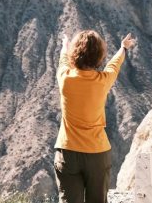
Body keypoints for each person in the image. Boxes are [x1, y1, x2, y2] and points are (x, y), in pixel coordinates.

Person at [54, 30, 136, 203]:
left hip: (68, 151)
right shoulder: (103, 80)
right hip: (97, 153)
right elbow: (114, 65)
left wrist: (64, 46)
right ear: (99, 55)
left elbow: (63, 61)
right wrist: (123, 48)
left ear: (74, 54)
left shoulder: (65, 78)